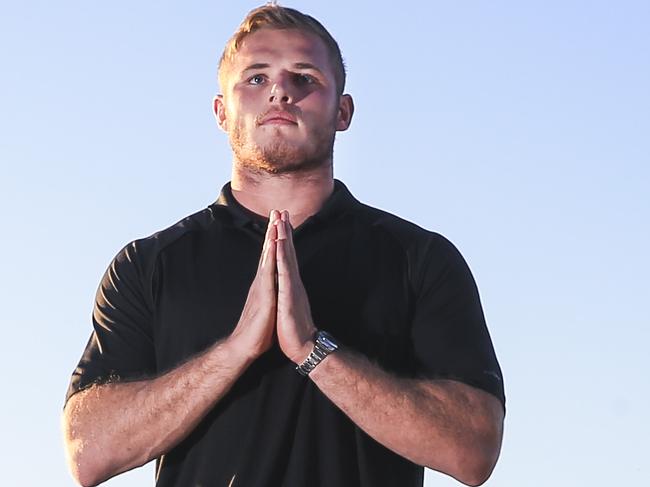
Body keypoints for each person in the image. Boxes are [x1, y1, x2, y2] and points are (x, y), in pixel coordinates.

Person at [62, 4, 505, 487]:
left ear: (342, 111)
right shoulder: (148, 264)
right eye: (255, 79)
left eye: (304, 77)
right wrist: (235, 351)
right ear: (221, 112)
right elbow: (89, 453)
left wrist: (314, 350)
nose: (280, 90)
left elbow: (473, 450)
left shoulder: (418, 258)